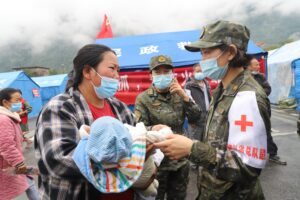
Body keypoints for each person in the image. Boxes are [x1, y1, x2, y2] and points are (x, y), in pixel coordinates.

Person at [155, 20, 270, 199]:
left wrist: (191, 149)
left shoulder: (246, 97)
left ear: (230, 52)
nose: (203, 60)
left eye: (207, 52)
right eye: (201, 53)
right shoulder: (222, 90)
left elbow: (247, 166)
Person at [35, 44, 160, 199]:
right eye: (112, 68)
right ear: (88, 71)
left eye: (118, 70)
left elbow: (133, 131)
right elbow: (58, 161)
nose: (117, 75)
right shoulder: (60, 107)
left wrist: (152, 130)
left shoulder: (118, 106)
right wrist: (133, 155)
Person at [134, 55, 201, 200]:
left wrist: (184, 96)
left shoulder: (180, 94)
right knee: (155, 197)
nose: (162, 75)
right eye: (158, 72)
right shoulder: (143, 98)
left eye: (166, 71)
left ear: (173, 74)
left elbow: (196, 118)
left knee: (178, 197)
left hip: (181, 159)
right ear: (150, 75)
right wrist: (153, 128)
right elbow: (139, 128)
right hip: (158, 162)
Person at [247, 55, 287, 165]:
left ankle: (273, 154)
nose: (259, 66)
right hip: (249, 112)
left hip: (263, 110)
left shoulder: (261, 77)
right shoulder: (244, 78)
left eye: (259, 64)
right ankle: (251, 155)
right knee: (250, 134)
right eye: (256, 65)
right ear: (249, 67)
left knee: (266, 132)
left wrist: (255, 94)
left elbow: (268, 89)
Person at [0, 88, 38, 200]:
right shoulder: (3, 119)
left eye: (20, 99)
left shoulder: (9, 116)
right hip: (8, 164)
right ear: (5, 102)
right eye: (17, 100)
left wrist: (22, 136)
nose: (20, 103)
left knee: (29, 183)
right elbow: (6, 145)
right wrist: (19, 163)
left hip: (10, 163)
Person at [184, 63, 211, 141]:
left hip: (206, 118)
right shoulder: (189, 85)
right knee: (194, 143)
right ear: (193, 72)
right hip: (195, 120)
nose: (200, 73)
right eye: (198, 71)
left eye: (202, 71)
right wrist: (191, 119)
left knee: (205, 142)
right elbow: (187, 103)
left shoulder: (206, 84)